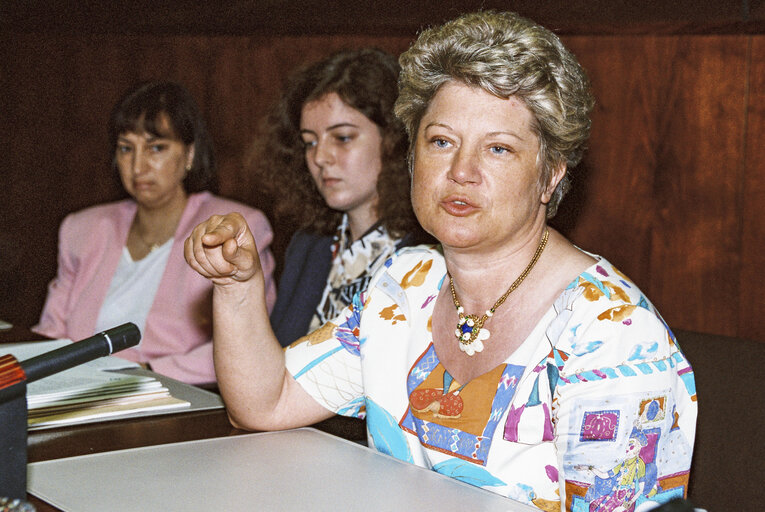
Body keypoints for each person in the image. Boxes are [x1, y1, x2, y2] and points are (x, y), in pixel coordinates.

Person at [185, 12, 697, 511]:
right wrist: (237, 286)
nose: (460, 171)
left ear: (550, 176)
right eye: (441, 141)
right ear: (410, 158)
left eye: (498, 149)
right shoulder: (405, 282)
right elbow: (266, 402)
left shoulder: (613, 333)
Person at [34, 81, 277, 385]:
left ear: (189, 154)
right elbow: (50, 333)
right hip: (76, 390)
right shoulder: (82, 228)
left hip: (175, 398)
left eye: (156, 148)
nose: (138, 166)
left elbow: (249, 344)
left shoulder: (232, 229)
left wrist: (143, 376)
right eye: (126, 149)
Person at [253, 48, 427, 346]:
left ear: (396, 139)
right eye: (309, 142)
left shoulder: (427, 253)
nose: (320, 157)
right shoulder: (309, 244)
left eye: (342, 138)